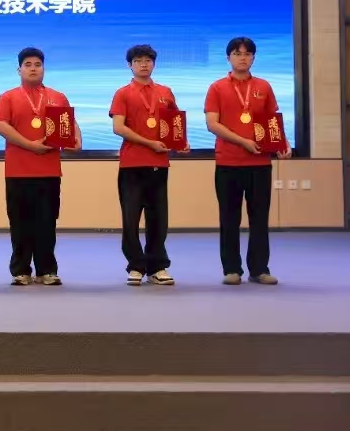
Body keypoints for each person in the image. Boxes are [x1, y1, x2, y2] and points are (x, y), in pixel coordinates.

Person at [204, 37, 290, 286]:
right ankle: (232, 269)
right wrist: (243, 141)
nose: (242, 58)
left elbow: (272, 120)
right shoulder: (217, 87)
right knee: (229, 218)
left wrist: (282, 144)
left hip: (260, 163)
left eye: (247, 54)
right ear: (228, 57)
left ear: (253, 57)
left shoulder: (263, 86)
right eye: (237, 53)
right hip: (228, 162)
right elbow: (212, 124)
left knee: (259, 218)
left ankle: (259, 269)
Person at [0, 47, 81, 286]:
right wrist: (30, 145)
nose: (33, 68)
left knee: (47, 221)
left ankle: (46, 270)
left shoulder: (57, 97)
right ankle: (21, 270)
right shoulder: (8, 97)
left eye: (38, 64)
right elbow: (0, 125)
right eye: (28, 64)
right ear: (19, 69)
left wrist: (76, 141)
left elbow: (70, 124)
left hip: (49, 170)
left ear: (44, 68)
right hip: (18, 170)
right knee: (19, 222)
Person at [109, 44, 189, 287]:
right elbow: (118, 127)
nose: (144, 64)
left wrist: (181, 143)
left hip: (159, 164)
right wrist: (149, 143)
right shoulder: (123, 93)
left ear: (154, 63)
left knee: (158, 218)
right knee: (131, 218)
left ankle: (157, 266)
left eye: (148, 60)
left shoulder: (165, 92)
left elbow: (175, 126)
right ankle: (136, 266)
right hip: (132, 164)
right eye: (138, 60)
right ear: (130, 65)